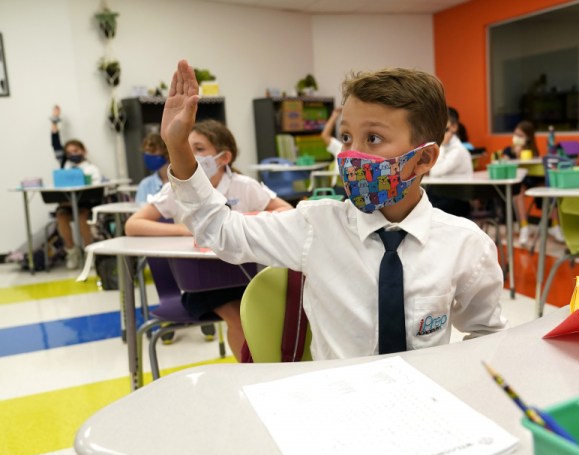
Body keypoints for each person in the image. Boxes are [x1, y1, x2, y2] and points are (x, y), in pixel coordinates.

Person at [162, 59, 506, 360]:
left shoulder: (465, 244)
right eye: (345, 138)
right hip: (336, 408)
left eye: (372, 138)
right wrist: (178, 147)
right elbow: (219, 230)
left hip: (423, 408)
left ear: (424, 159)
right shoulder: (316, 225)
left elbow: (486, 334)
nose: (351, 155)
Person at [125, 119, 293, 359]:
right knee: (241, 319)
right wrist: (186, 230)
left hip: (250, 276)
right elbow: (133, 225)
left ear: (224, 158)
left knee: (280, 315)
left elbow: (286, 211)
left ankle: (275, 370)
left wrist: (245, 221)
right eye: (187, 146)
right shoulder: (177, 188)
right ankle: (253, 375)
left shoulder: (244, 185)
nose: (190, 154)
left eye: (200, 149)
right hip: (203, 281)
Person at [50, 105, 103, 269]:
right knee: (61, 216)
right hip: (67, 205)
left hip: (85, 206)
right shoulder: (65, 165)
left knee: (82, 217)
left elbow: (97, 192)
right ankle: (72, 252)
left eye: (76, 150)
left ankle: (90, 252)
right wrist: (54, 119)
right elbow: (55, 144)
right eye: (69, 152)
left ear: (83, 150)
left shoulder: (92, 169)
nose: (72, 154)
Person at [500, 121, 564, 245]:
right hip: (519, 181)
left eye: (521, 135)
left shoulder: (532, 151)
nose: (517, 138)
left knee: (551, 190)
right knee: (519, 194)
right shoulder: (508, 150)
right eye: (516, 134)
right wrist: (515, 155)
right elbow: (504, 162)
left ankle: (555, 225)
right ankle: (524, 227)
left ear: (528, 138)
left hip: (532, 179)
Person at [426, 106, 473, 217]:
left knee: (425, 206)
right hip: (442, 195)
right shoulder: (444, 147)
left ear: (454, 127)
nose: (440, 133)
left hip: (457, 199)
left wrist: (440, 145)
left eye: (445, 129)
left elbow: (435, 171)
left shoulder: (459, 150)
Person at [135, 133, 170, 203]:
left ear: (166, 151)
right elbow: (140, 211)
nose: (148, 155)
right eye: (146, 152)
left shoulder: (181, 181)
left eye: (152, 150)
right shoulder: (145, 184)